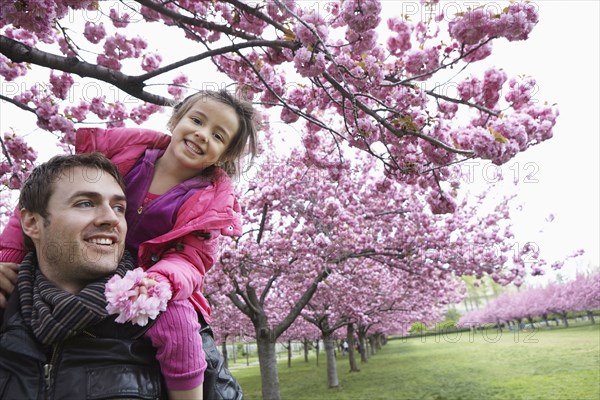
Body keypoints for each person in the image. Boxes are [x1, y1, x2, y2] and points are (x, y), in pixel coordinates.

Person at [0, 89, 256, 399]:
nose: (202, 135)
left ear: (225, 155)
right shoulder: (125, 155)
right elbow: (40, 200)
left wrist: (160, 283)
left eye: (218, 136)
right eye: (197, 121)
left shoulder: (208, 203)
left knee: (179, 322)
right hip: (93, 264)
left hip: (153, 283)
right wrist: (8, 258)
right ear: (176, 120)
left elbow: (192, 260)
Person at [0, 153, 169, 399]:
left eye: (119, 207)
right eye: (86, 203)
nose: (111, 218)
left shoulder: (164, 319)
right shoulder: (6, 314)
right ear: (32, 223)